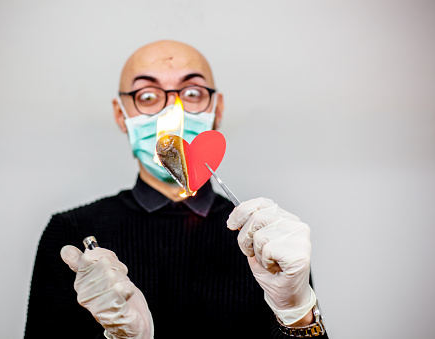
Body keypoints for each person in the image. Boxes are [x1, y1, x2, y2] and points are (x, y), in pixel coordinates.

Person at [24, 40, 328, 339]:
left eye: (192, 92)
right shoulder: (71, 233)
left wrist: (297, 311)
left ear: (217, 109)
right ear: (121, 115)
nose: (173, 108)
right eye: (147, 95)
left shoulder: (266, 236)